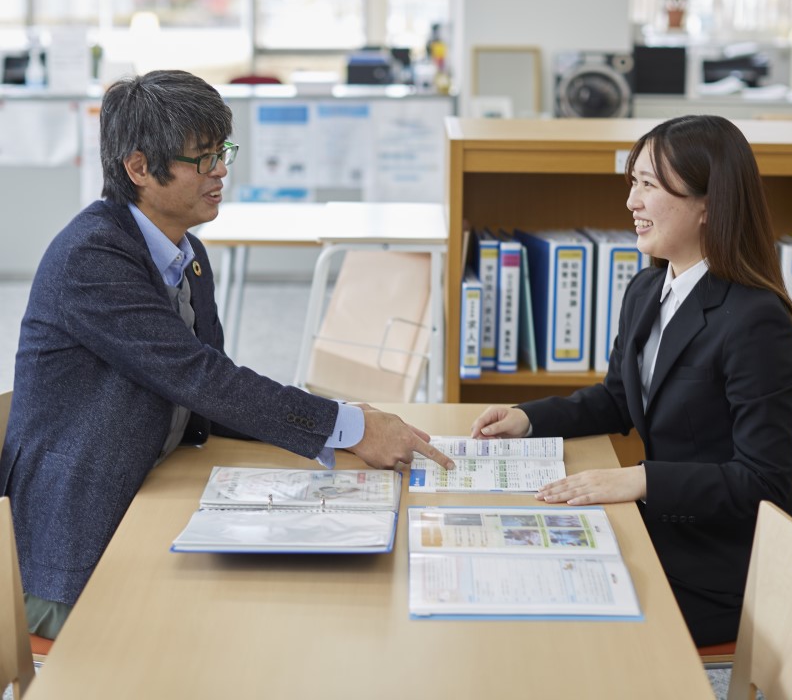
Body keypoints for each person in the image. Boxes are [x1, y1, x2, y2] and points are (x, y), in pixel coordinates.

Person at [0, 69, 454, 639]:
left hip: (147, 491)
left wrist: (339, 423)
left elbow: (208, 398)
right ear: (139, 167)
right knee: (233, 631)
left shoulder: (184, 250)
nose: (221, 172)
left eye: (223, 152)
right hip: (70, 554)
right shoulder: (91, 258)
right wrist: (348, 426)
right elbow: (200, 378)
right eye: (202, 159)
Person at [470, 115, 792, 647]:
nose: (631, 202)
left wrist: (640, 479)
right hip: (658, 530)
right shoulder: (648, 289)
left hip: (722, 570)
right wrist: (530, 418)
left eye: (649, 184)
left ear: (708, 205)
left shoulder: (756, 319)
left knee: (558, 622)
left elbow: (763, 480)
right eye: (633, 183)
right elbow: (618, 400)